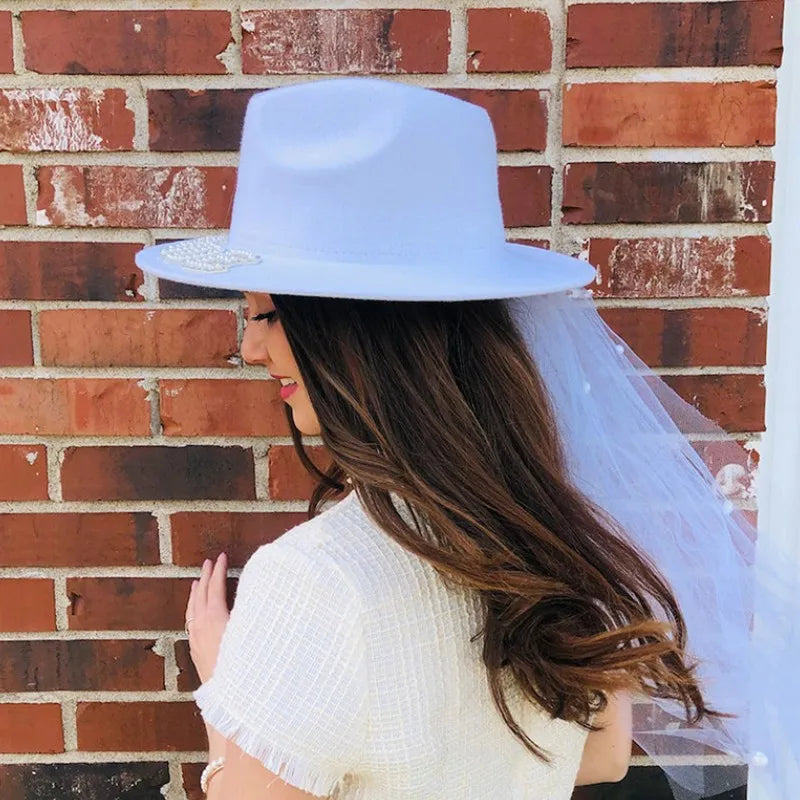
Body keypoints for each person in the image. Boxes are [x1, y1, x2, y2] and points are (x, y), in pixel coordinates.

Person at [135, 77, 798, 799]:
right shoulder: (553, 533)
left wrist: (225, 685)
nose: (252, 350)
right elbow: (601, 758)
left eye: (264, 315)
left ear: (349, 336)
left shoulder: (313, 582)